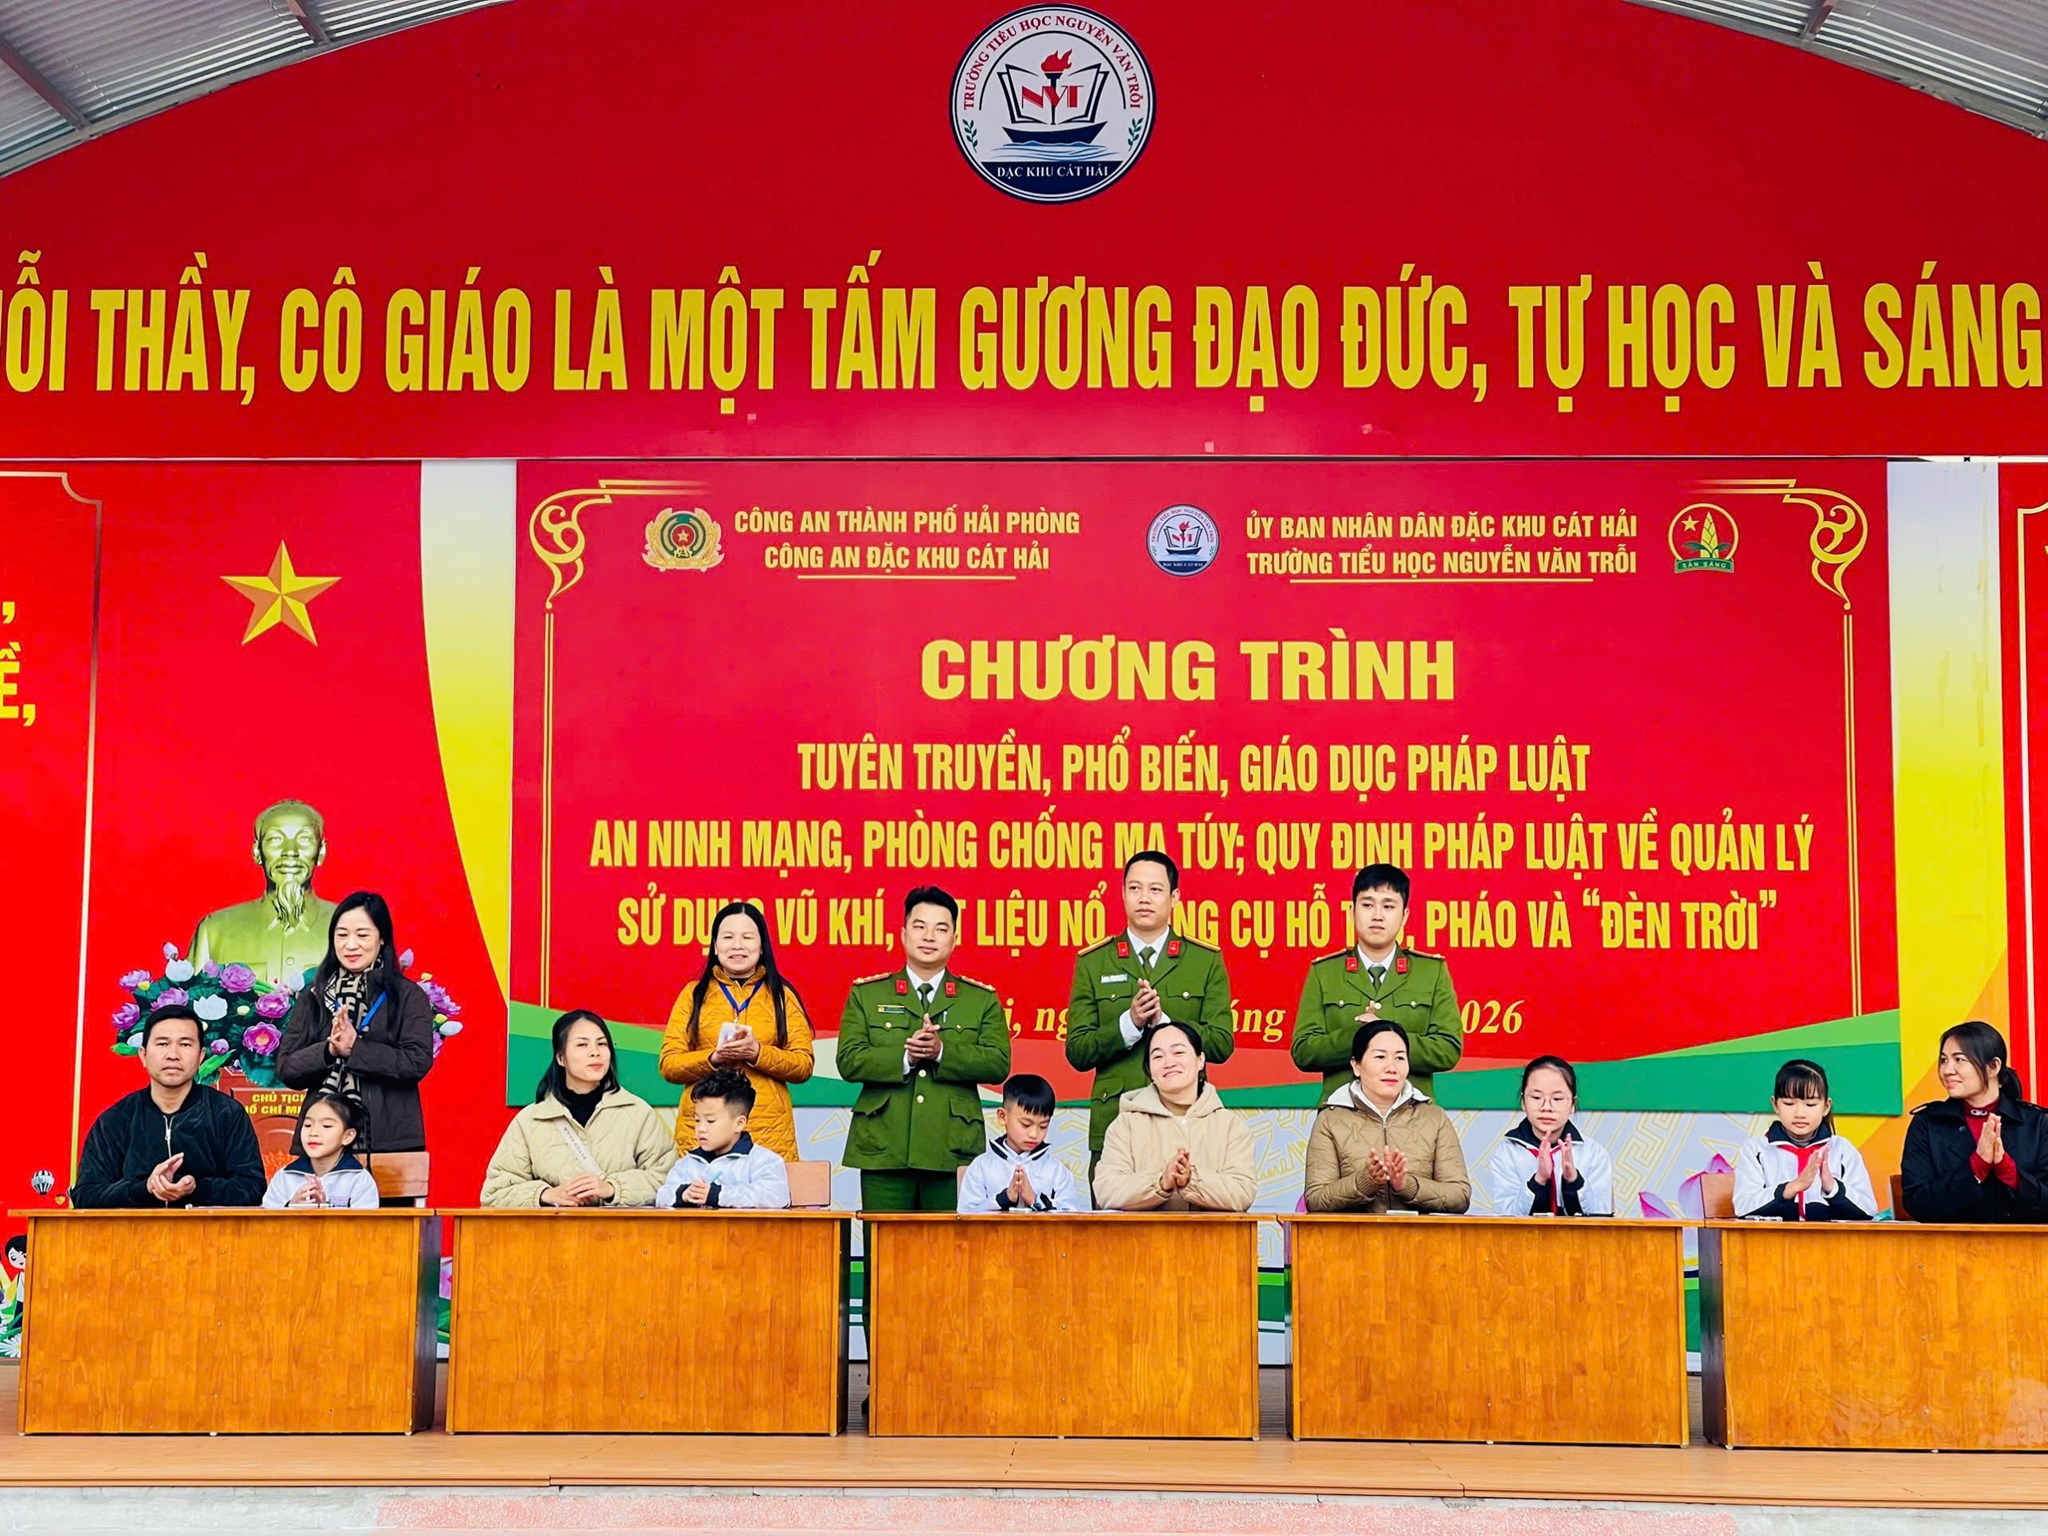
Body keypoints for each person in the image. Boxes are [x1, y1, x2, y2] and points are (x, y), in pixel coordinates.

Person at [834, 886, 1012, 1211]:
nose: (929, 936)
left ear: (954, 939)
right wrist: (906, 1057)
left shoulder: (980, 999)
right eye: (920, 926)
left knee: (948, 1243)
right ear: (903, 934)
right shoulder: (867, 995)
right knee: (883, 1242)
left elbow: (998, 1063)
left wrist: (942, 1052)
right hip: (884, 1146)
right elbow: (849, 1059)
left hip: (951, 1147)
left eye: (941, 929)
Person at [1065, 851, 1233, 1176]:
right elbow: (1077, 1051)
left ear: (1174, 897)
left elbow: (1222, 1043)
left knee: (1190, 1209)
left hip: (1186, 1125)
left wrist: (1166, 1026)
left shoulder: (1203, 960)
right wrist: (1129, 1023)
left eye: (1155, 890)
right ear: (1122, 893)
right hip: (1116, 1124)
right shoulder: (1094, 962)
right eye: (1134, 888)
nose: (1144, 898)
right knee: (1114, 1210)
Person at [276, 891, 436, 1154]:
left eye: (362, 935)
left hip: (387, 1144)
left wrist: (356, 1050)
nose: (351, 945)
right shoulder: (315, 995)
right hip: (322, 1145)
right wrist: (328, 1051)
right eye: (342, 935)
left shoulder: (407, 995)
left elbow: (416, 1061)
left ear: (382, 938)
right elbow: (287, 1068)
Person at [1292, 865, 1462, 1103]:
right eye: (1367, 904)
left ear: (1404, 915)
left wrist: (1386, 1035)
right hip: (1343, 1113)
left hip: (1412, 1112)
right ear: (1352, 911)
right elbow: (1303, 1051)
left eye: (1388, 906)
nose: (1377, 915)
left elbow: (1448, 1048)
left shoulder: (1431, 971)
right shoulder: (1325, 972)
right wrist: (1358, 1037)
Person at [659, 902, 814, 1162]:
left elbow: (804, 1065)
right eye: (728, 937)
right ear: (715, 946)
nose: (737, 945)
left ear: (762, 946)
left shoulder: (782, 996)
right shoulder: (693, 995)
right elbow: (669, 1065)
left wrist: (757, 1053)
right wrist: (713, 1058)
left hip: (768, 1136)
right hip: (703, 1135)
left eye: (747, 937)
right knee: (701, 1189)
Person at [71, 1004, 264, 1208]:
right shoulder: (116, 1120)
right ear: (143, 1055)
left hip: (206, 1229)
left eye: (185, 1044)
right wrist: (145, 1188)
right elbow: (86, 1195)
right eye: (162, 1044)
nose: (173, 1054)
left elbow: (252, 1188)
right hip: (135, 1229)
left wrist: (196, 1188)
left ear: (201, 1056)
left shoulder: (227, 1113)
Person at [481, 1009, 677, 1207]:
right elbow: (495, 1193)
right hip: (554, 1227)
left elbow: (668, 1181)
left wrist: (612, 1189)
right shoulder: (531, 1120)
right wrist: (545, 1195)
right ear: (560, 1058)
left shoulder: (638, 1113)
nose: (595, 1052)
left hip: (621, 1227)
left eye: (602, 1044)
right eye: (582, 1044)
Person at [1303, 1020, 1471, 1214]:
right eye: (1380, 1057)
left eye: (1400, 1058)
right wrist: (1366, 1181)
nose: (1391, 1067)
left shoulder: (1434, 1117)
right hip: (1353, 1234)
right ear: (1356, 1065)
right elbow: (1316, 1199)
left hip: (1420, 1234)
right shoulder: (1330, 1120)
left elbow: (1460, 1196)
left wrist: (1406, 1185)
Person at [1094, 1022, 1257, 1212]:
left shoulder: (1230, 1127)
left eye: (1178, 1052)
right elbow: (1107, 1191)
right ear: (1149, 1070)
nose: (1169, 1062)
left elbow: (1242, 1193)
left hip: (1214, 1233)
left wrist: (1191, 1180)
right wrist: (1161, 1182)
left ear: (1200, 1060)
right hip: (1144, 1233)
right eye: (1158, 1056)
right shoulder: (1126, 1125)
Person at [1901, 1021, 2048, 1223]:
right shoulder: (1928, 1123)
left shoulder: (2036, 1124)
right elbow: (1916, 1203)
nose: (1947, 1070)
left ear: (1993, 1067)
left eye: (1959, 1060)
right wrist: (1976, 1167)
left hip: (2024, 1243)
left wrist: (2009, 1172)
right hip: (1950, 1242)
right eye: (1943, 1060)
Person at [190, 798, 339, 986]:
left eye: (304, 839)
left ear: (321, 851)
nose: (290, 851)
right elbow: (189, 1000)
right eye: (275, 839)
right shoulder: (215, 931)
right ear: (257, 852)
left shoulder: (356, 928)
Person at [1733, 1058, 1875, 1222]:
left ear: (1826, 1107)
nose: (1800, 1113)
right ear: (1775, 1105)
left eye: (1810, 1104)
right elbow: (1743, 1206)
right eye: (1789, 1103)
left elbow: (1868, 1210)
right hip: (1775, 1238)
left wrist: (1832, 1187)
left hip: (1829, 1238)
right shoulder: (1755, 1149)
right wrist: (1793, 1187)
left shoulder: (1842, 1149)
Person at [1478, 1055, 1614, 1216]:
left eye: (1557, 1098)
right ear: (1523, 1102)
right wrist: (1539, 1180)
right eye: (1536, 1097)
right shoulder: (1507, 1152)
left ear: (1572, 1104)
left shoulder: (1594, 1153)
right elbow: (1506, 1216)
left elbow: (1602, 1217)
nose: (1546, 1107)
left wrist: (1574, 1181)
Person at [656, 1069, 791, 1209]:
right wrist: (683, 1194)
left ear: (739, 1124)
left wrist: (718, 1195)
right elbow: (662, 1196)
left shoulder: (764, 1161)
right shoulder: (686, 1163)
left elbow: (776, 1197)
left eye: (710, 1121)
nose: (701, 1128)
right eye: (697, 1120)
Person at [958, 1073, 1090, 1213]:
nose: (1034, 1134)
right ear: (1003, 1117)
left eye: (1043, 1126)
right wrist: (1003, 1199)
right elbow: (965, 1216)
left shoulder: (1057, 1170)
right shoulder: (981, 1167)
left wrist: (1035, 1200)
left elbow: (1072, 1216)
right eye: (1026, 1124)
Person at [262, 1087, 380, 1209]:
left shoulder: (359, 1180)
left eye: (326, 1126)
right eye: (307, 1125)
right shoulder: (285, 1177)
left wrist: (325, 1208)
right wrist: (291, 1207)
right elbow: (265, 1217)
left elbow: (365, 1220)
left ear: (348, 1136)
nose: (313, 1132)